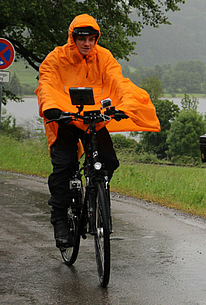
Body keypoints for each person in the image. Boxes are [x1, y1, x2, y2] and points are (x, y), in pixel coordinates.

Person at [35, 14, 160, 249]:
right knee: (63, 169)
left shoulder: (104, 57)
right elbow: (47, 83)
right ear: (72, 38)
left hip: (94, 119)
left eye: (92, 39)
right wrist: (51, 108)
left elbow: (118, 81)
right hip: (65, 118)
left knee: (109, 161)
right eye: (81, 38)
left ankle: (94, 197)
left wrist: (125, 106)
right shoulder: (56, 58)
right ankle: (60, 220)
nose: (87, 43)